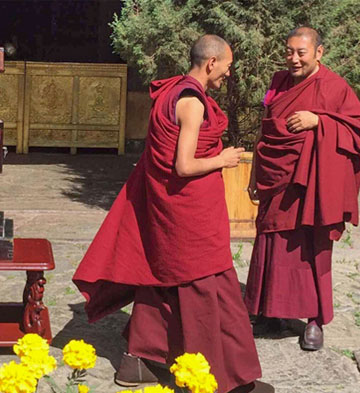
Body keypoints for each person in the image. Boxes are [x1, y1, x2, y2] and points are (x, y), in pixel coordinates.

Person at [73, 35, 273, 393]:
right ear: (211, 63)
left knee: (164, 282)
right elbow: (183, 165)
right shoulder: (191, 103)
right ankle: (222, 378)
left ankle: (138, 362)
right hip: (188, 212)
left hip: (173, 208)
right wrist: (223, 160)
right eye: (227, 66)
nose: (229, 73)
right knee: (211, 288)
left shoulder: (170, 92)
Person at [244, 27, 360, 351]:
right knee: (272, 243)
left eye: (301, 52)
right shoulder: (279, 83)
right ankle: (270, 312)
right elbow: (267, 130)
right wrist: (254, 174)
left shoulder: (336, 88)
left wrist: (320, 122)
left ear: (319, 52)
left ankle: (315, 320)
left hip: (313, 184)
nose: (293, 59)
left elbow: (359, 134)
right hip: (278, 179)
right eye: (289, 51)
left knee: (312, 249)